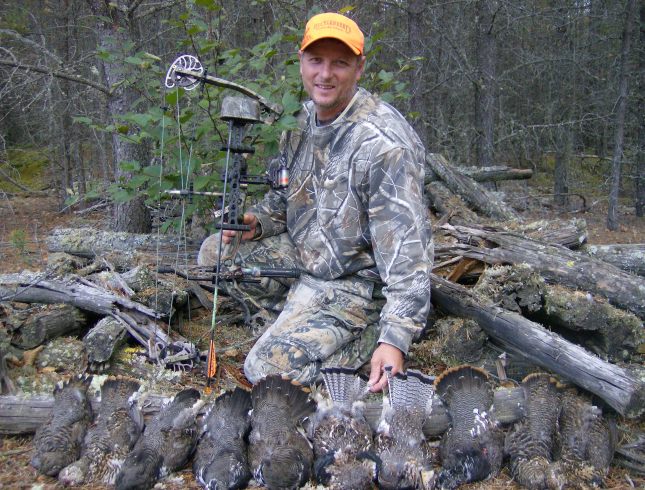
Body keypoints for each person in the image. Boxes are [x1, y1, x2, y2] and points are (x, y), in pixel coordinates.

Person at [198, 12, 433, 392]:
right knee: (214, 255)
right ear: (301, 62)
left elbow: (409, 253)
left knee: (267, 370)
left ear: (359, 68)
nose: (325, 74)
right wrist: (259, 221)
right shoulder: (301, 121)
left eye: (339, 63)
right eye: (316, 60)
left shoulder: (383, 145)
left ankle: (367, 333)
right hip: (305, 260)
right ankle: (301, 315)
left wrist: (396, 338)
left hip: (359, 286)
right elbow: (287, 196)